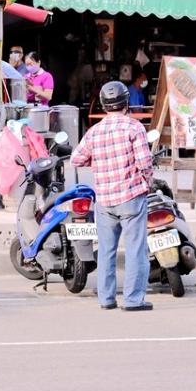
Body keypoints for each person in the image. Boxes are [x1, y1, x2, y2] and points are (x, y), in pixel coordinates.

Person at [71, 81, 153, 311]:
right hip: (131, 196)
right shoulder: (134, 127)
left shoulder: (94, 132)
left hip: (105, 200)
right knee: (136, 249)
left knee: (106, 251)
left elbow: (76, 159)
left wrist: (95, 159)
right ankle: (133, 300)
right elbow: (145, 162)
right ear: (126, 102)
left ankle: (107, 299)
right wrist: (148, 181)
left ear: (105, 106)